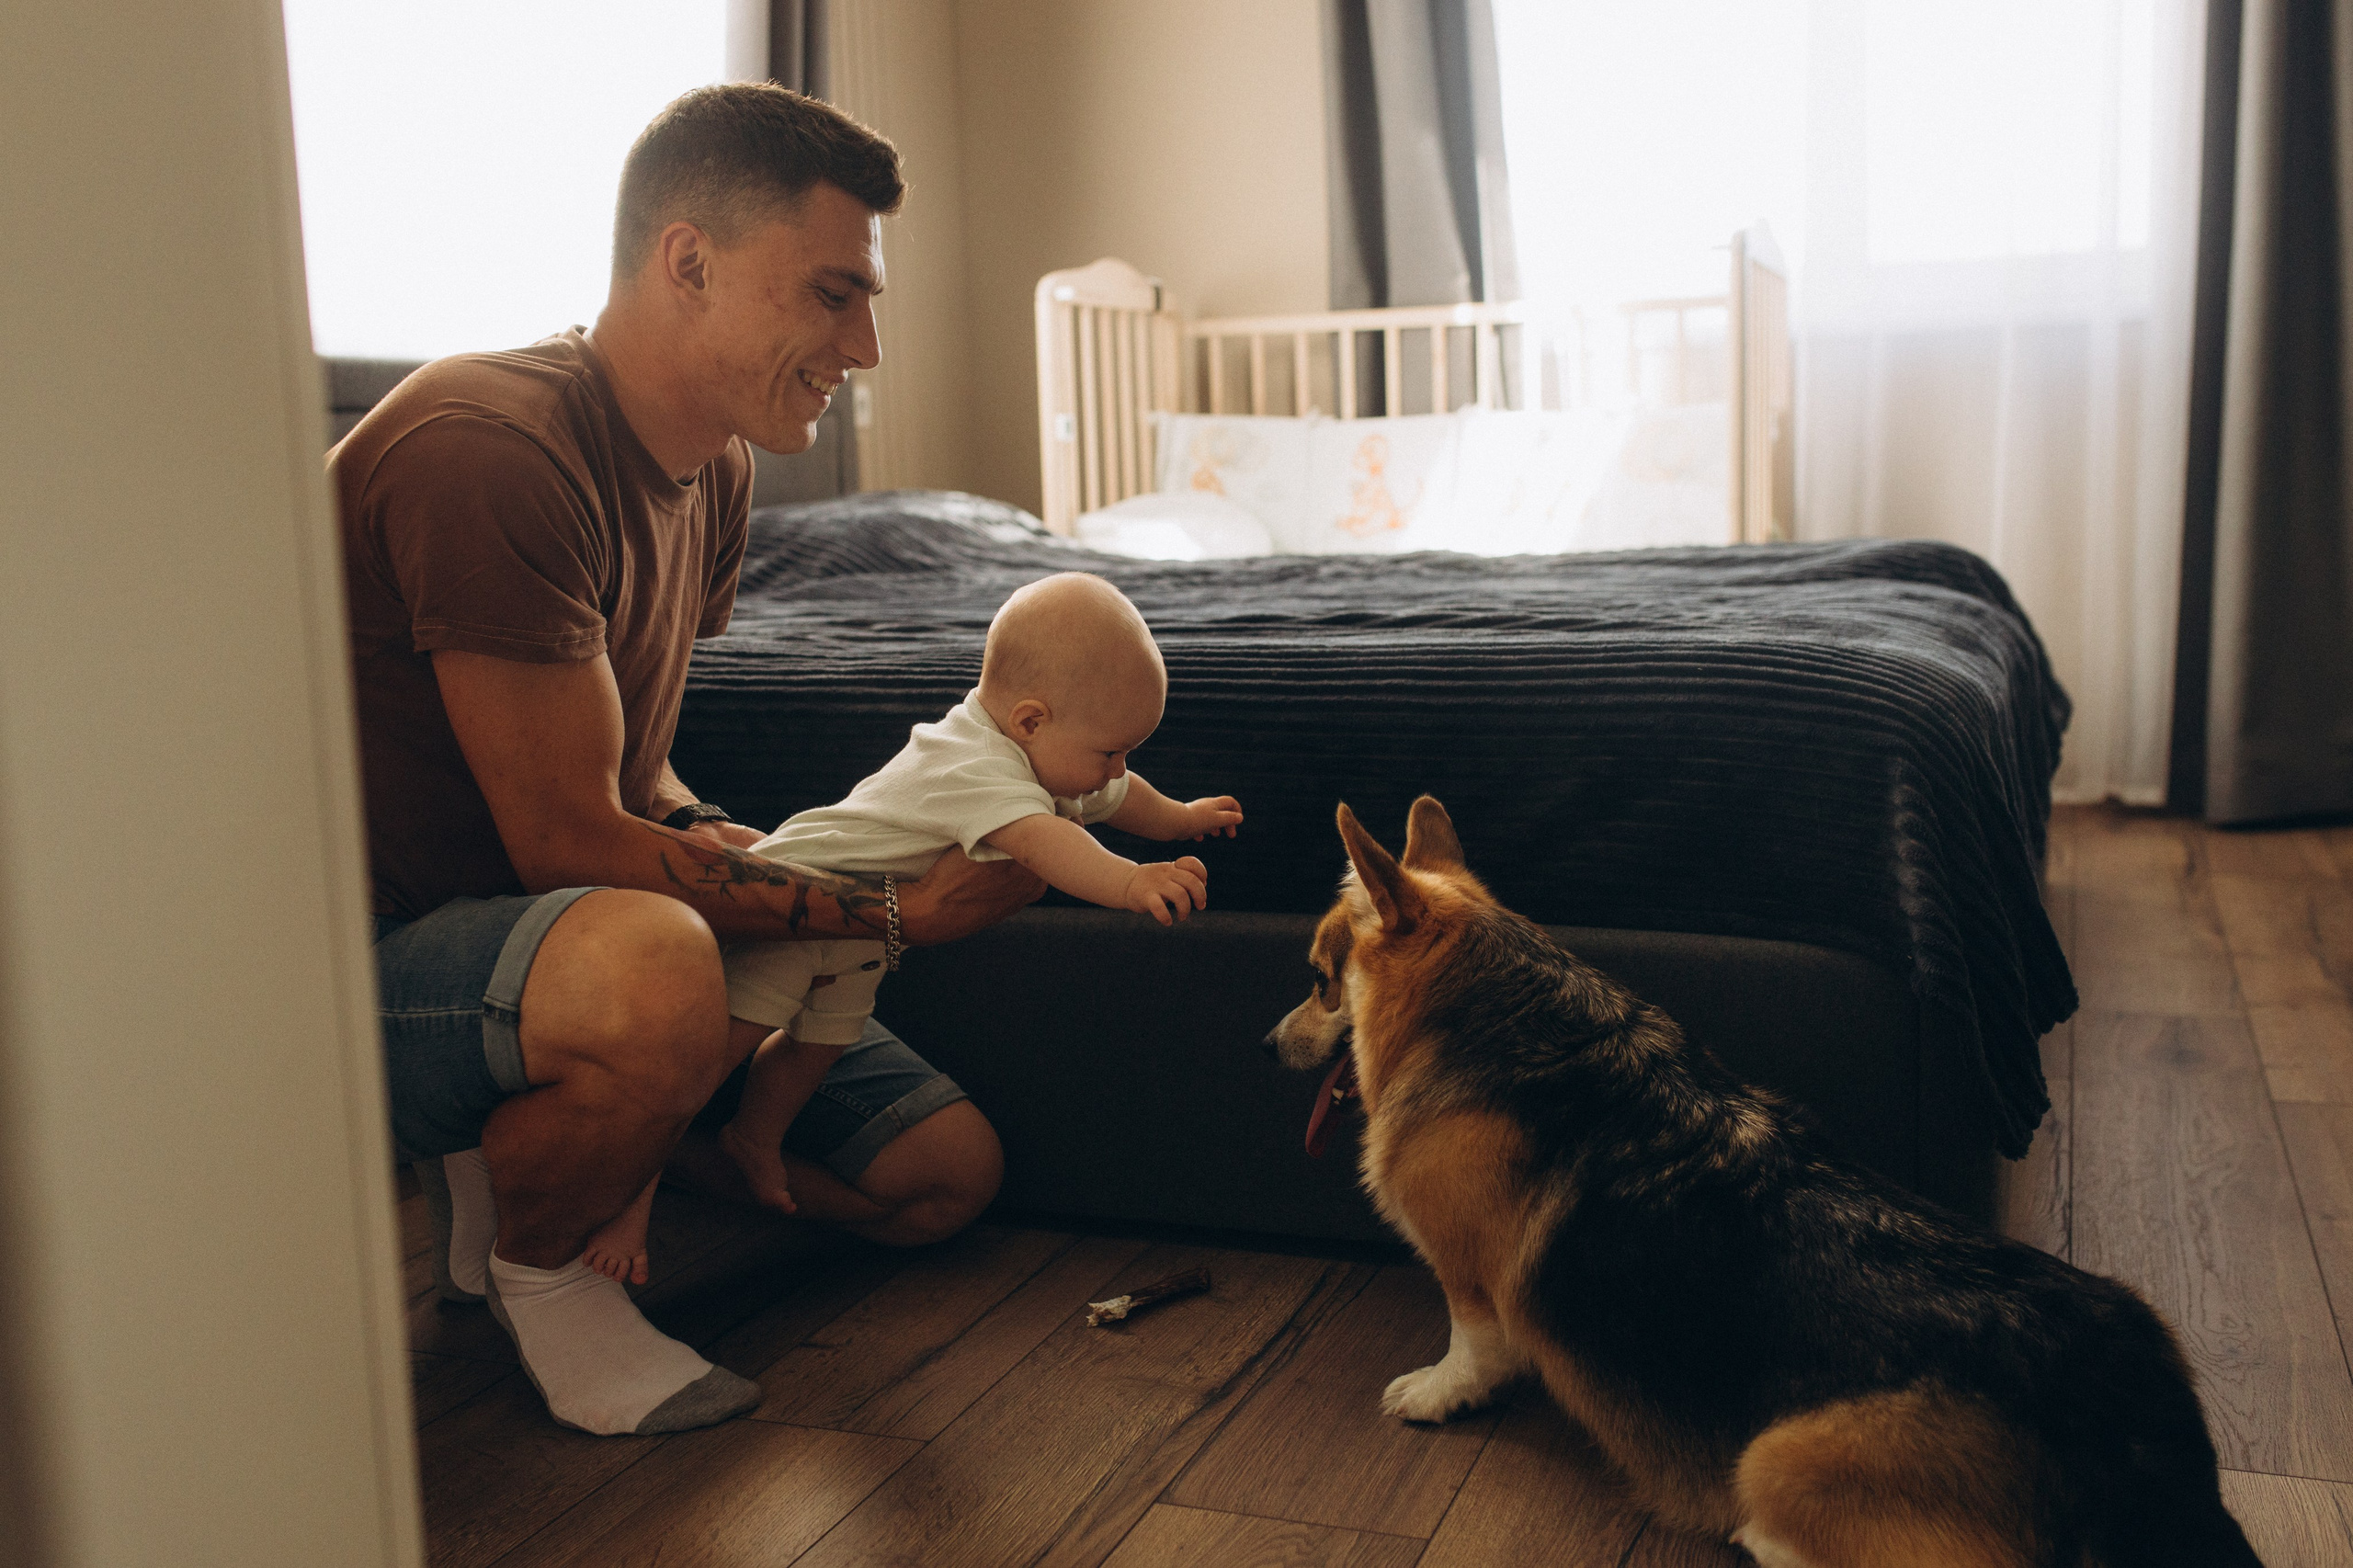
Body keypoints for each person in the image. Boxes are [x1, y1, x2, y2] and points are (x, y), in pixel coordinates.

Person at [335, 83, 1041, 1437]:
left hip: (545, 936)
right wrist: (893, 907)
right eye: (835, 295)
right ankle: (534, 1263)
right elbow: (561, 839)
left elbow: (631, 774)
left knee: (941, 1173)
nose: (869, 347)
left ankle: (562, 1146)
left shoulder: (715, 463)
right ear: (688, 262)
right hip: (358, 960)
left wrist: (721, 835)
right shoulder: (489, 449)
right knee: (658, 957)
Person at [579, 573, 1245, 1280]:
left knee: (817, 1045)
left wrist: (1180, 817)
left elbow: (1118, 797)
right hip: (796, 904)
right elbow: (1049, 842)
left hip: (857, 933)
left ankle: (753, 1137)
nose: (1116, 769)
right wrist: (1131, 880)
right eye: (1110, 751)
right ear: (1029, 721)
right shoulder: (973, 766)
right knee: (709, 1060)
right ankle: (625, 1197)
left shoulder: (1050, 750)